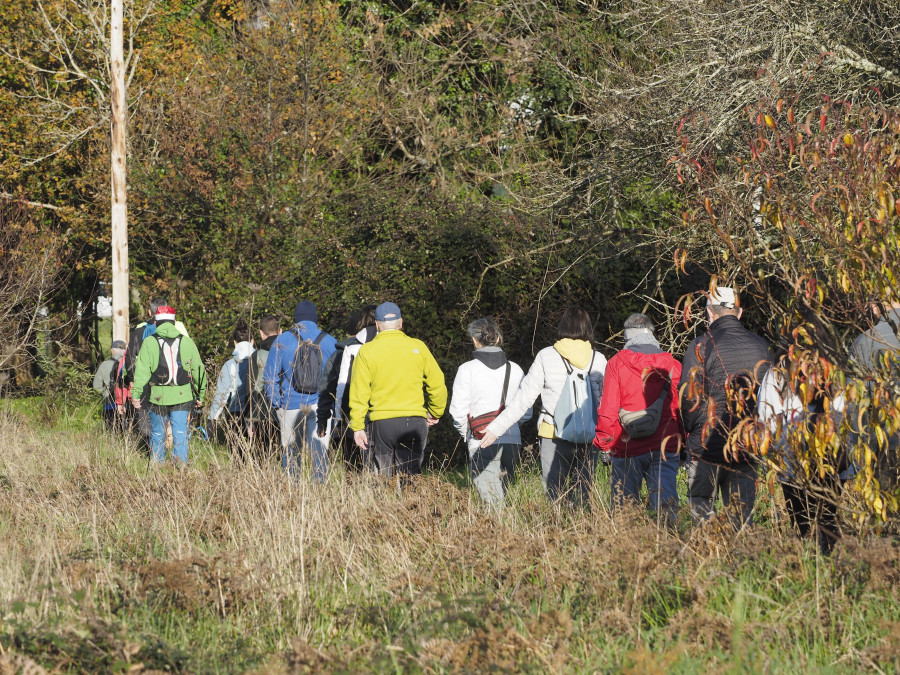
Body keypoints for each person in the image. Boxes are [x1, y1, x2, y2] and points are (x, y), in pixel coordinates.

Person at [479, 306, 607, 507]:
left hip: (553, 434)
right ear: (587, 329)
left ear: (563, 327)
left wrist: (496, 428)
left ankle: (555, 536)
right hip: (588, 435)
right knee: (584, 497)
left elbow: (523, 399)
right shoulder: (598, 359)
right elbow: (604, 402)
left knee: (555, 496)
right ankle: (584, 536)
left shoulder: (547, 356)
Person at [679, 286, 773, 529]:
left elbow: (689, 398)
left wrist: (693, 429)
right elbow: (771, 398)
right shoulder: (762, 346)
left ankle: (709, 560)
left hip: (706, 445)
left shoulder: (700, 347)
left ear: (709, 313)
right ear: (739, 313)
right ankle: (744, 563)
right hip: (746, 444)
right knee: (742, 516)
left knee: (701, 509)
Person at [758, 355, 852, 555]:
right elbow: (845, 416)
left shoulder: (777, 371)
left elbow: (767, 418)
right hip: (831, 460)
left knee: (803, 527)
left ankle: (809, 572)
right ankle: (830, 573)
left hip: (793, 465)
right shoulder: (834, 369)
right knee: (828, 522)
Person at [594, 314, 683, 524]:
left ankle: (627, 554)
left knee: (624, 515)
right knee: (665, 508)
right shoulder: (673, 365)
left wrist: (604, 444)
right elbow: (680, 409)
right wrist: (685, 443)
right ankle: (670, 549)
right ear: (652, 334)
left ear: (627, 337)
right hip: (665, 446)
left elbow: (608, 409)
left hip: (626, 448)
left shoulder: (616, 364)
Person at [348, 302, 447, 477]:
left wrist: (357, 426)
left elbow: (359, 392)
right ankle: (412, 503)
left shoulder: (367, 351)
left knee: (385, 478)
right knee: (411, 476)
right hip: (414, 421)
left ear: (377, 325)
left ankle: (388, 503)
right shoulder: (418, 347)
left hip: (381, 423)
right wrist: (435, 412)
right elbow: (437, 384)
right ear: (400, 323)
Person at [449, 317, 531, 507]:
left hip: (481, 440)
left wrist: (467, 435)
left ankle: (501, 535)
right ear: (497, 339)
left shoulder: (467, 370)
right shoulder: (516, 369)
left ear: (475, 340)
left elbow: (458, 412)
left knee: (492, 503)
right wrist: (510, 427)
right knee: (505, 497)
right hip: (512, 440)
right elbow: (526, 411)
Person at [263, 300, 337, 481]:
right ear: (315, 319)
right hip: (320, 407)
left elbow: (270, 377)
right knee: (319, 456)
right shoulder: (330, 341)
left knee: (291, 456)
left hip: (290, 406)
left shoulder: (282, 341)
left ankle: (292, 496)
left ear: (296, 320)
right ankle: (319, 497)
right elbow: (336, 379)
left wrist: (277, 405)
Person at [131, 305, 208, 463]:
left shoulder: (149, 342)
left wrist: (136, 394)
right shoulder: (187, 342)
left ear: (156, 323)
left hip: (158, 396)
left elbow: (141, 372)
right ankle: (179, 471)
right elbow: (199, 370)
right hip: (183, 396)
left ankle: (158, 471)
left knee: (158, 434)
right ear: (174, 322)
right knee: (180, 434)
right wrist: (201, 394)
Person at [317, 305, 378, 471]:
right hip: (382, 418)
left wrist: (323, 418)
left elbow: (327, 387)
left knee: (353, 469)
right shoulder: (391, 349)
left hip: (348, 418)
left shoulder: (342, 351)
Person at [123, 297, 189, 442]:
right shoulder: (179, 328)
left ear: (149, 311)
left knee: (147, 421)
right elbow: (189, 358)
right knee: (174, 422)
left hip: (146, 382)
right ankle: (173, 454)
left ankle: (154, 452)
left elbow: (130, 358)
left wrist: (134, 380)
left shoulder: (140, 330)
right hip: (175, 383)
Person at [208, 319, 256, 451]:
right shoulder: (261, 361)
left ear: (234, 343)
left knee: (238, 454)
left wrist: (212, 419)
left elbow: (221, 395)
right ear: (252, 341)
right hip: (258, 412)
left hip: (236, 413)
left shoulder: (229, 365)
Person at [246, 315, 281, 459]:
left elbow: (250, 389)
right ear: (280, 331)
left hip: (261, 412)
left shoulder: (256, 356)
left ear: (261, 333)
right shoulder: (288, 352)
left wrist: (249, 419)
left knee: (261, 454)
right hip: (283, 411)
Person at [92, 339, 126, 430]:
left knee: (111, 433)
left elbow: (96, 386)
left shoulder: (104, 365)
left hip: (109, 404)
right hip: (126, 404)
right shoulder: (130, 364)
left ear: (112, 350)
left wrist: (105, 392)